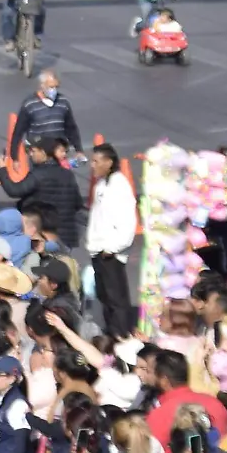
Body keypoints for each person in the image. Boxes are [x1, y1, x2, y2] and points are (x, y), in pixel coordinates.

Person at [0, 138, 85, 255]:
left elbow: (14, 190)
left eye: (34, 151)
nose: (31, 155)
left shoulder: (37, 174)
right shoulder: (67, 174)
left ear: (43, 153)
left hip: (43, 233)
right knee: (62, 267)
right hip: (66, 234)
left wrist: (2, 170)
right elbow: (77, 203)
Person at [85, 143, 138, 338]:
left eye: (96, 161)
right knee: (105, 297)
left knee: (117, 300)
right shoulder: (100, 185)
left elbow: (127, 221)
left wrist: (113, 248)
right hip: (98, 249)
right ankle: (110, 335)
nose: (92, 165)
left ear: (109, 162)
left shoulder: (119, 185)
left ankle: (121, 336)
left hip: (110, 253)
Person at [8, 71, 81, 155]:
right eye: (51, 87)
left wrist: (79, 149)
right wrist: (14, 156)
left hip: (59, 154)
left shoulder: (63, 102)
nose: (54, 90)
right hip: (38, 155)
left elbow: (71, 128)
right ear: (42, 86)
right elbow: (19, 131)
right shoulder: (29, 105)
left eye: (56, 87)